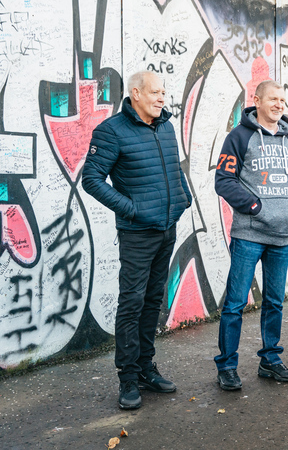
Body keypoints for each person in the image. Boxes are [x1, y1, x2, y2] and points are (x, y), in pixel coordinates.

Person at [83, 70, 192, 410]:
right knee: (131, 304)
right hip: (137, 233)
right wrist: (131, 209)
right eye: (156, 92)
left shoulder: (166, 126)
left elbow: (175, 169)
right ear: (135, 94)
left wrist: (183, 198)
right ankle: (128, 379)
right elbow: (91, 179)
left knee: (152, 301)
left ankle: (146, 369)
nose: (162, 98)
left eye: (164, 92)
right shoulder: (111, 131)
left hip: (166, 228)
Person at [214, 80, 288, 390]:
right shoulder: (239, 137)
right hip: (249, 235)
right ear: (258, 101)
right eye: (273, 99)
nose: (279, 104)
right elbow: (223, 181)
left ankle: (270, 360)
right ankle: (226, 366)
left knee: (275, 301)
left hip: (282, 234)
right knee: (236, 303)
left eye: (283, 99)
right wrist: (255, 207)